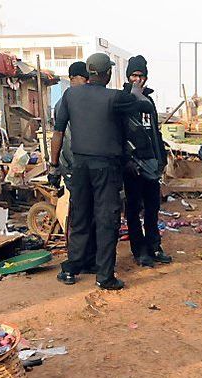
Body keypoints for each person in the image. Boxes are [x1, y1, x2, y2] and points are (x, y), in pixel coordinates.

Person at [50, 52, 150, 290]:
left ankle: (72, 267)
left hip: (79, 165)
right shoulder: (115, 98)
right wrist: (136, 88)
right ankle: (104, 276)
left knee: (80, 215)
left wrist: (53, 165)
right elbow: (139, 104)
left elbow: (58, 133)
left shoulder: (70, 95)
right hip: (106, 166)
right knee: (106, 219)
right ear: (107, 74)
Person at [121, 55, 171, 268]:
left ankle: (154, 246)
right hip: (132, 165)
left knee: (152, 208)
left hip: (151, 164)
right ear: (128, 76)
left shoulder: (148, 101)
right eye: (134, 75)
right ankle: (139, 250)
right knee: (133, 209)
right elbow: (118, 134)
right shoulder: (121, 99)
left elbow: (154, 134)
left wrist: (161, 159)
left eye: (141, 76)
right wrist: (126, 161)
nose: (137, 79)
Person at [58, 62, 96, 272]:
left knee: (88, 215)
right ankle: (77, 261)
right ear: (75, 78)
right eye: (85, 78)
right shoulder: (68, 101)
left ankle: (88, 260)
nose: (88, 82)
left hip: (80, 167)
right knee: (80, 217)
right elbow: (66, 139)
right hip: (75, 167)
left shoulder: (77, 99)